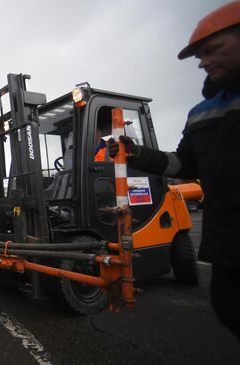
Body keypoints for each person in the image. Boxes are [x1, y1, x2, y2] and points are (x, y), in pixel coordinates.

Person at [108, 1, 240, 339]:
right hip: (229, 245)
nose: (205, 62)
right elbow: (182, 164)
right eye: (200, 57)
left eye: (213, 50)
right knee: (229, 308)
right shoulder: (202, 113)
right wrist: (133, 153)